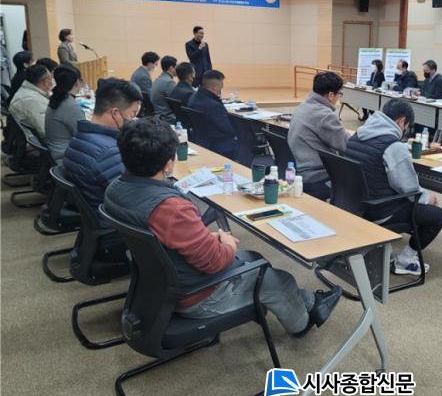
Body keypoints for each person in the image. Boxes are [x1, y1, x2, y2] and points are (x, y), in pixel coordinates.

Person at [104, 118, 341, 337]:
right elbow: (215, 262)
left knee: (255, 258)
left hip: (159, 283)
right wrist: (226, 242)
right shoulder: (170, 208)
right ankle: (302, 324)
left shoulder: (115, 189)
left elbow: (168, 234)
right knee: (279, 280)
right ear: (168, 164)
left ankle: (310, 301)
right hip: (196, 295)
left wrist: (206, 237)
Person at [344, 99, 442, 276]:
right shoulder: (393, 146)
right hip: (380, 211)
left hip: (354, 205)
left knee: (417, 205)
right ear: (401, 121)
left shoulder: (358, 135)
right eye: (406, 126)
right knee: (436, 215)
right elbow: (409, 189)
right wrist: (427, 198)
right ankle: (405, 260)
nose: (404, 130)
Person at [63, 78, 142, 220]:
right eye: (132, 114)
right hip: (111, 222)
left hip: (93, 212)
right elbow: (133, 199)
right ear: (115, 113)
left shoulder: (79, 137)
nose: (133, 121)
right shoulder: (108, 152)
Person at [288, 72, 350, 201]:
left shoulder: (302, 107)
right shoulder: (324, 115)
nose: (339, 97)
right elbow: (346, 144)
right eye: (339, 94)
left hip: (300, 171)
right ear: (331, 95)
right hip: (318, 177)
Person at [187, 70, 237, 158]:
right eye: (220, 88)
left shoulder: (193, 97)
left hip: (201, 141)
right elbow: (229, 129)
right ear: (214, 88)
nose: (220, 91)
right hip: (219, 145)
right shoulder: (213, 105)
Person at [45, 65, 85, 164]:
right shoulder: (71, 106)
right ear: (77, 82)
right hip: (66, 158)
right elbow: (84, 138)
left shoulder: (57, 99)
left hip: (56, 152)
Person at [9, 64, 53, 138]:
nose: (52, 82)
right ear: (46, 82)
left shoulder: (27, 91)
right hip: (42, 140)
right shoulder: (31, 101)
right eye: (51, 78)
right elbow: (46, 131)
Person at [150, 55, 177, 123]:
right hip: (168, 118)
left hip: (158, 117)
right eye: (176, 67)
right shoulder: (169, 82)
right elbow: (177, 102)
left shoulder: (157, 80)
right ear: (171, 68)